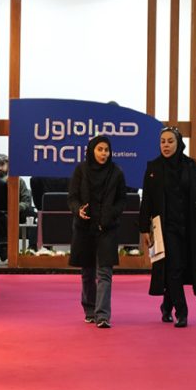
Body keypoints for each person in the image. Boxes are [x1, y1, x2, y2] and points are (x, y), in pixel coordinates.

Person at [139, 127, 196, 328]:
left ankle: (166, 306)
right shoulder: (153, 168)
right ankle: (182, 311)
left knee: (178, 267)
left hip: (189, 227)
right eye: (162, 142)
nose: (166, 145)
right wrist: (144, 229)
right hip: (164, 228)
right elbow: (147, 201)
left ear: (178, 143)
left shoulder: (191, 166)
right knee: (174, 267)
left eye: (170, 141)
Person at [67, 136, 127, 329]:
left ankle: (102, 315)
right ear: (92, 150)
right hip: (84, 228)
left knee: (105, 273)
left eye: (106, 150)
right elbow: (72, 197)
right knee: (87, 272)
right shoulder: (81, 170)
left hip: (107, 228)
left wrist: (112, 213)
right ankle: (90, 309)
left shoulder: (116, 172)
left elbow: (122, 200)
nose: (103, 153)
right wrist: (78, 210)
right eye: (100, 149)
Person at [0, 154, 35, 219]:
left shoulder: (18, 181)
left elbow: (26, 202)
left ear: (8, 165)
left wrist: (15, 207)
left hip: (15, 213)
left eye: (2, 165)